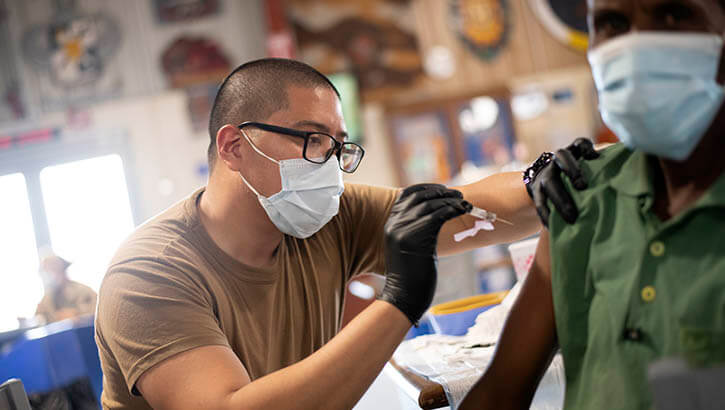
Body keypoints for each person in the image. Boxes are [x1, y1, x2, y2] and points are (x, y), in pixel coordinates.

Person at [95, 58, 591, 409]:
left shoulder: (328, 217)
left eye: (337, 148)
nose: (330, 168)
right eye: (312, 140)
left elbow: (465, 210)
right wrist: (397, 303)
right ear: (233, 146)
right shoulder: (149, 273)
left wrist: (543, 183)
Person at [459, 1, 725, 409]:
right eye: (612, 23)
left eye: (673, 15)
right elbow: (501, 389)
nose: (637, 46)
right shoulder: (581, 194)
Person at [35, 254, 97, 323]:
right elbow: (38, 318)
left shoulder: (84, 291)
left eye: (55, 268)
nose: (52, 274)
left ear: (63, 269)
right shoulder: (47, 299)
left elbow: (98, 313)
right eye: (48, 271)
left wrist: (77, 314)